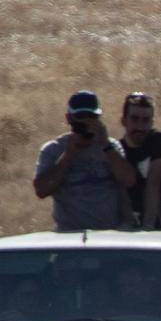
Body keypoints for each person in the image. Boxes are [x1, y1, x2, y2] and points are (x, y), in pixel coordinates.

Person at [34, 91, 138, 231]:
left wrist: (106, 146)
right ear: (69, 118)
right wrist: (68, 155)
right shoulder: (53, 149)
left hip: (107, 234)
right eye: (80, 117)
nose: (86, 122)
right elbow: (41, 190)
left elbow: (129, 180)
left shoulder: (110, 146)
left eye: (92, 117)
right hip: (69, 234)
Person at [117, 92, 161, 226]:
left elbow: (153, 184)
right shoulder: (117, 150)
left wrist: (147, 229)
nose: (140, 127)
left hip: (154, 220)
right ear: (124, 121)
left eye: (146, 120)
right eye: (134, 119)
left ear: (152, 122)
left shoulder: (158, 141)